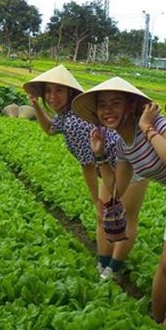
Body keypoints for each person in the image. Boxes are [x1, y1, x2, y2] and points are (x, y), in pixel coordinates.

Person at [73, 77, 166, 330]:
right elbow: (117, 188)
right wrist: (99, 155)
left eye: (116, 103)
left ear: (131, 105)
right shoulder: (122, 146)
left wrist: (147, 126)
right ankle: (157, 320)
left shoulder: (158, 124)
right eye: (102, 105)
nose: (108, 110)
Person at [24, 65, 141, 279]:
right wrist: (36, 107)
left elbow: (87, 165)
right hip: (108, 165)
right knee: (106, 216)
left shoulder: (74, 121)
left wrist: (95, 199)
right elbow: (50, 129)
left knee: (124, 217)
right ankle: (103, 263)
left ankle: (113, 268)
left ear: (70, 92)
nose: (52, 96)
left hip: (133, 163)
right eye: (48, 91)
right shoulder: (66, 114)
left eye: (59, 90)